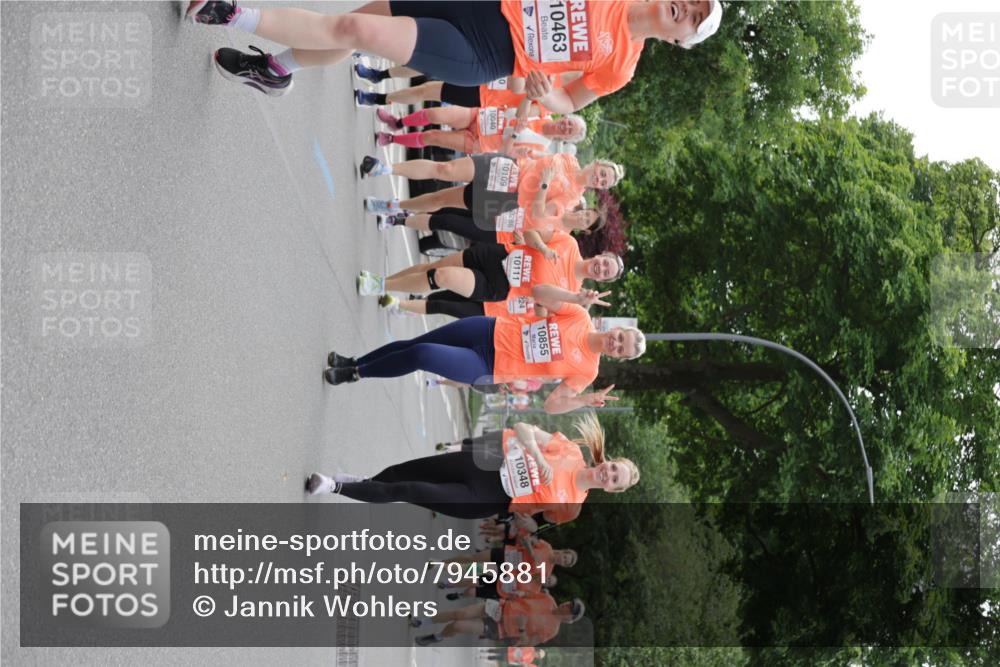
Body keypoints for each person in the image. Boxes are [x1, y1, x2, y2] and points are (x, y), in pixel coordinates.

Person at [187, 1, 723, 109]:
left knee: (355, 28)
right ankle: (277, 69)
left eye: (695, 18)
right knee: (353, 27)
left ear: (682, 39)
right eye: (694, 0)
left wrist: (545, 92)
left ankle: (233, 13)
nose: (687, 8)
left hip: (486, 50)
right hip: (480, 3)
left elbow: (572, 102)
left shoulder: (623, 63)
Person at [323, 287, 646, 414]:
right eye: (620, 337)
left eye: (621, 349)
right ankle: (354, 362)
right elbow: (539, 292)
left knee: (423, 355)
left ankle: (356, 373)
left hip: (488, 364)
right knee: (412, 345)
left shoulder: (587, 371)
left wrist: (583, 401)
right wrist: (575, 298)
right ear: (616, 329)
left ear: (618, 357)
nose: (616, 343)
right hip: (489, 329)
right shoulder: (580, 316)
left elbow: (550, 405)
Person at [305, 416, 640, 522]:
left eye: (614, 480)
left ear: (612, 490)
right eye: (612, 468)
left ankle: (335, 486)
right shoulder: (567, 449)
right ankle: (362, 484)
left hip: (486, 497)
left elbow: (531, 520)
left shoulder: (572, 508)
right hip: (485, 465)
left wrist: (524, 515)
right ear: (605, 460)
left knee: (410, 491)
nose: (607, 474)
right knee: (402, 472)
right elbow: (523, 427)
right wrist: (537, 458)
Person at [356, 231, 624, 322]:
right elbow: (532, 233)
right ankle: (383, 281)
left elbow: (540, 297)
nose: (599, 268)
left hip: (501, 287)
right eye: (604, 264)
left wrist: (577, 298)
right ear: (600, 256)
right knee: (436, 267)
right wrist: (543, 248)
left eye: (604, 273)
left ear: (601, 280)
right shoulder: (569, 243)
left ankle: (378, 287)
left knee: (443, 276)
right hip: (498, 255)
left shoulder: (573, 294)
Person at [363, 155, 624, 233]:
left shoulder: (572, 199)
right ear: (598, 163)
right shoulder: (570, 157)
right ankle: (384, 168)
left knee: (442, 200)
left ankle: (393, 205)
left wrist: (544, 185)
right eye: (603, 173)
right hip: (505, 170)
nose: (600, 179)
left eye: (604, 182)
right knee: (446, 168)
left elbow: (539, 212)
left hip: (505, 200)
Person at [371, 103, 585, 155]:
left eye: (569, 131)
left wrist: (517, 132)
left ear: (566, 139)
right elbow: (519, 97)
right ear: (565, 117)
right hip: (481, 116)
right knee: (434, 114)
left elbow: (508, 153)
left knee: (432, 136)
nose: (565, 127)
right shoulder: (542, 109)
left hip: (479, 142)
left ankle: (391, 139)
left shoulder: (542, 146)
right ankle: (398, 123)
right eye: (568, 123)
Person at [410, 592, 583, 646]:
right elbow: (527, 594)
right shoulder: (547, 599)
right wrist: (518, 594)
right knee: (460, 614)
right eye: (570, 603)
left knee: (459, 625)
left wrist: (522, 628)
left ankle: (437, 636)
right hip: (500, 607)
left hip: (501, 628)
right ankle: (423, 621)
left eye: (570, 609)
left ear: (570, 618)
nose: (567, 605)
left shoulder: (552, 630)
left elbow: (527, 643)